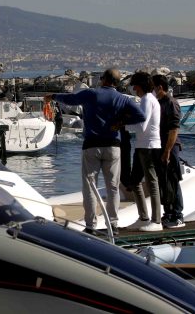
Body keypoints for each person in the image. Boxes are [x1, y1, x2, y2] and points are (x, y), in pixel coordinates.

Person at [44, 68, 145, 235]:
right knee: (113, 187)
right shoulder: (122, 98)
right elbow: (140, 116)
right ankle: (113, 224)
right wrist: (120, 122)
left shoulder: (91, 94)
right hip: (113, 145)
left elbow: (71, 99)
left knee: (90, 187)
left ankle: (91, 225)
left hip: (91, 145)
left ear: (104, 79)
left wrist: (53, 96)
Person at [125, 72, 163, 232]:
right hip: (142, 146)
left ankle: (156, 221)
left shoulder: (147, 99)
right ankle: (143, 217)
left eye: (134, 85)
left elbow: (142, 125)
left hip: (149, 147)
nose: (133, 89)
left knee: (152, 183)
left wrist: (124, 124)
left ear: (139, 86)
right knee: (134, 182)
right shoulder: (148, 99)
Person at [152, 74, 185, 229]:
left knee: (172, 180)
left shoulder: (171, 103)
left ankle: (178, 215)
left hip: (170, 147)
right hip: (160, 146)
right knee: (164, 182)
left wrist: (167, 151)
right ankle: (168, 213)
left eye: (153, 87)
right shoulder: (158, 103)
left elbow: (174, 129)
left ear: (160, 87)